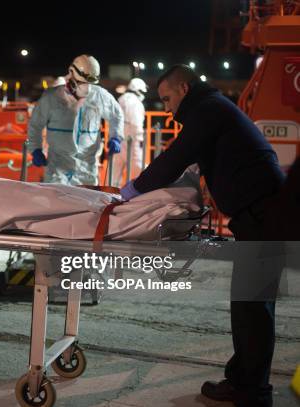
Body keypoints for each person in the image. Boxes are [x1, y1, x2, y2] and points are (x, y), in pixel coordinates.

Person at [121, 65, 285, 407]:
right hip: (260, 214)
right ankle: (244, 382)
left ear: (184, 87)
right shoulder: (213, 109)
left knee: (252, 307)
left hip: (264, 215)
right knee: (249, 305)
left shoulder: (207, 110)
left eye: (167, 98)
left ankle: (252, 393)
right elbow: (191, 165)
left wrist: (132, 191)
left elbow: (176, 158)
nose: (166, 108)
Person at [28, 54, 124, 185]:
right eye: (81, 82)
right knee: (57, 203)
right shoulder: (52, 97)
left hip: (87, 169)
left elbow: (116, 115)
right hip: (58, 168)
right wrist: (35, 149)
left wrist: (116, 137)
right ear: (71, 73)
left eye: (88, 83)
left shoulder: (100, 96)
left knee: (88, 204)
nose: (85, 87)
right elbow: (36, 124)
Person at [111, 78, 147, 187]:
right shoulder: (136, 103)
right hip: (132, 140)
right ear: (138, 90)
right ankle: (140, 192)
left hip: (118, 138)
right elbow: (136, 124)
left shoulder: (121, 99)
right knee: (138, 169)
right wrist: (140, 140)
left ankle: (111, 193)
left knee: (115, 172)